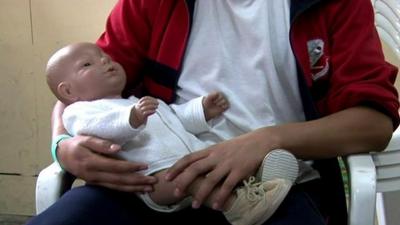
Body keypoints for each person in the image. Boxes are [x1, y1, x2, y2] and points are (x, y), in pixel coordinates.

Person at [27, 0, 399, 225]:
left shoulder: (334, 4)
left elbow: (374, 122)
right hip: (150, 183)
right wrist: (63, 144)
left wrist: (267, 140)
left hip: (272, 188)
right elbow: (78, 87)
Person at [43, 42, 299, 225]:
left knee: (216, 168)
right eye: (88, 64)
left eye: (105, 57)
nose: (104, 61)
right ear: (68, 92)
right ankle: (241, 209)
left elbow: (175, 117)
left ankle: (261, 183)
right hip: (152, 179)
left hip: (189, 159)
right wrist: (130, 118)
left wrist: (201, 110)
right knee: (190, 177)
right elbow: (102, 128)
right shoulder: (80, 112)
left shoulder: (134, 99)